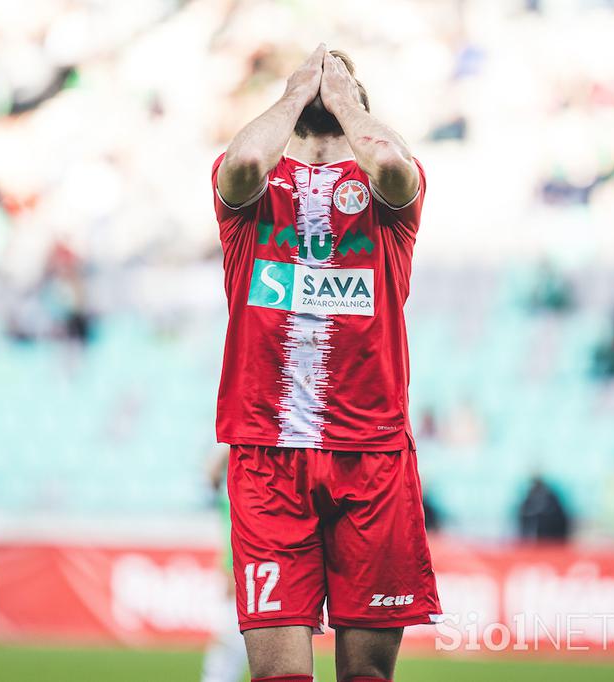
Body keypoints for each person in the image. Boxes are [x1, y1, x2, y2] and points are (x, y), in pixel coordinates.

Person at [212, 44, 441, 682]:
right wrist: (294, 95)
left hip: (370, 453)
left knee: (367, 676)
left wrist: (341, 97)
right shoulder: (250, 193)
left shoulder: (386, 198)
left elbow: (392, 158)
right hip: (268, 452)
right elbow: (250, 156)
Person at [200, 445, 249, 682]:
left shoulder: (239, 493)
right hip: (237, 576)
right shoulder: (233, 493)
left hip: (250, 575)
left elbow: (211, 471)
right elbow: (211, 470)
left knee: (226, 657)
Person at [517, 475, 571, 543]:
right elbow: (523, 515)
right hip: (540, 537)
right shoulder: (530, 497)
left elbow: (560, 517)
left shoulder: (550, 496)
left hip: (553, 535)